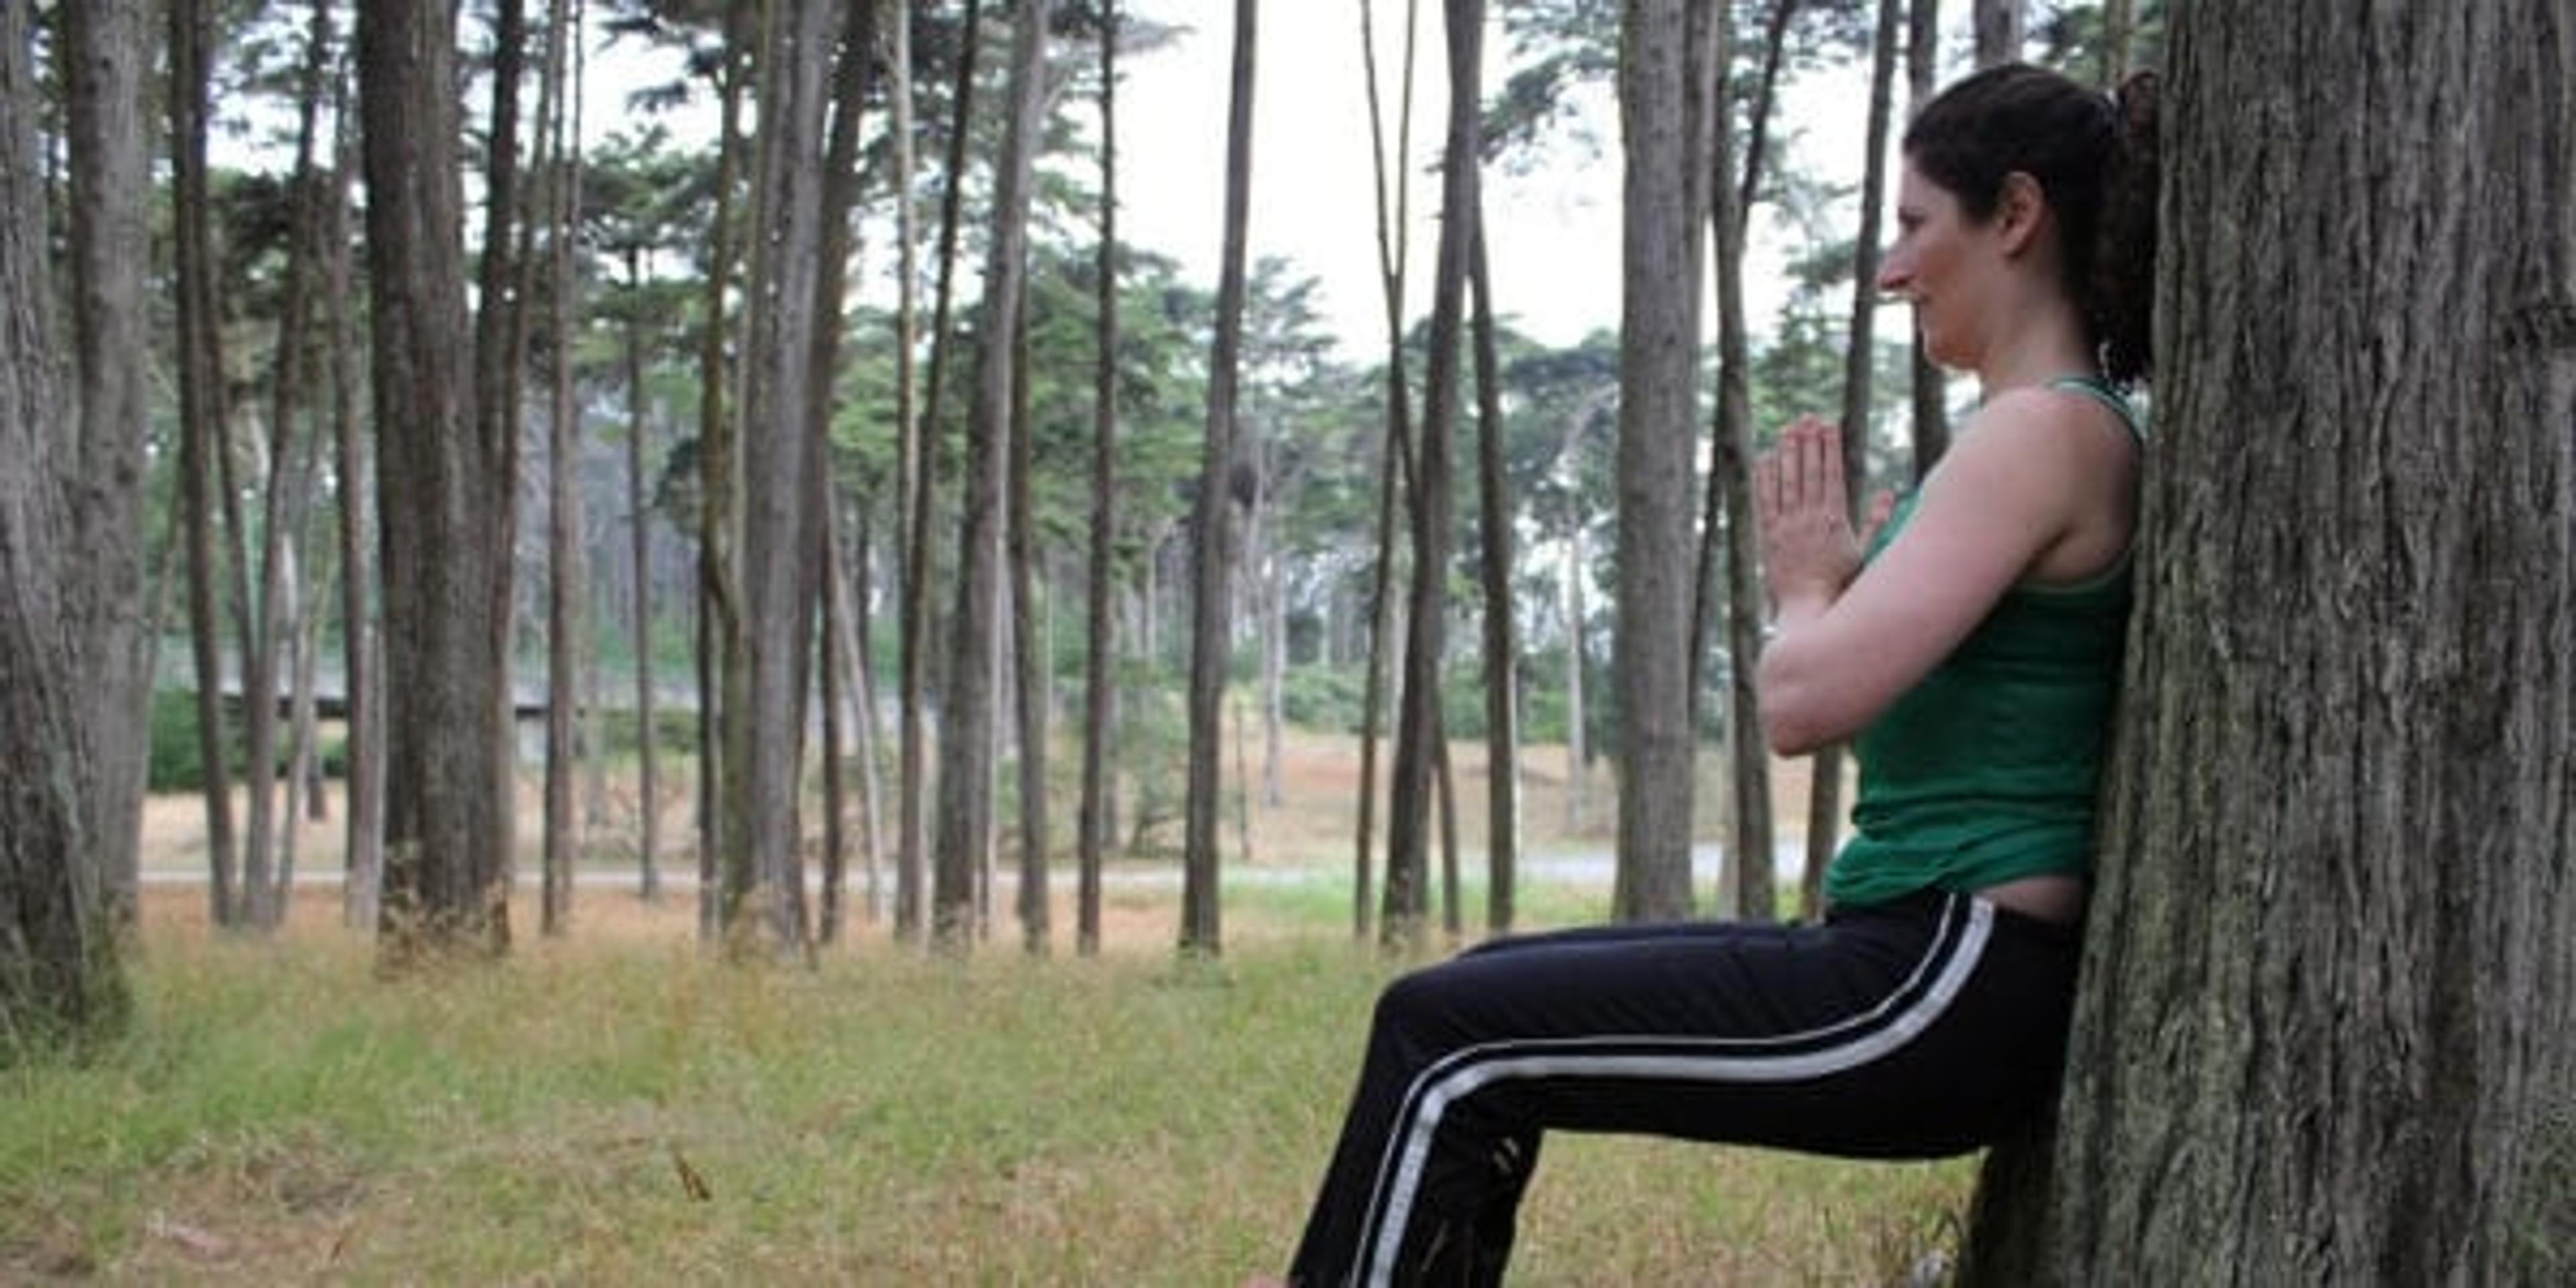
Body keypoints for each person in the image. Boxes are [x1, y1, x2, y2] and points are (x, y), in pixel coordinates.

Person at [1258, 61, 2161, 1287]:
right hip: (1926, 958)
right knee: (1464, 1002)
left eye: (1911, 226)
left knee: (1445, 1037)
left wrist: (1805, 589)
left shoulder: (2042, 432)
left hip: (1942, 980)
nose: (1891, 270)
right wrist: (1833, 594)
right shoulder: (2037, 432)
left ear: (2013, 215)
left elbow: (1800, 705)